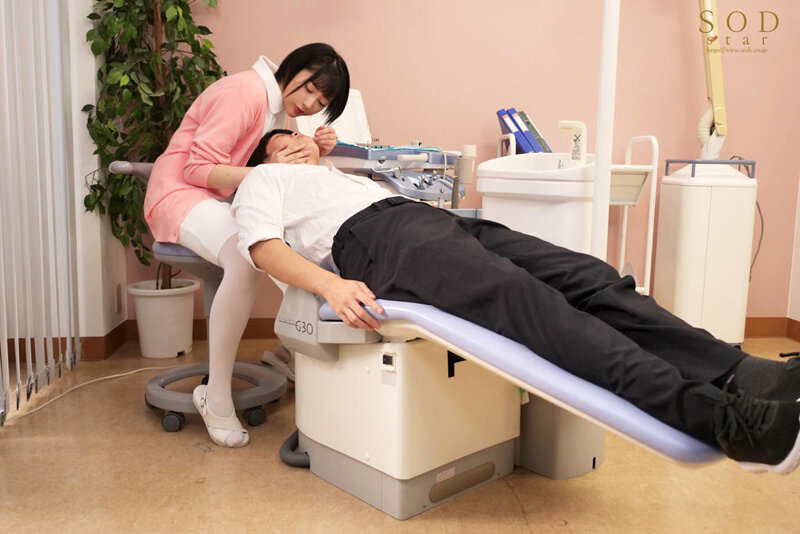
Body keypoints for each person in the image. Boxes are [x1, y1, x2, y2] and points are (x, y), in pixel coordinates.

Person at [231, 128, 800, 474]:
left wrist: (334, 148)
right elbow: (262, 247)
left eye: (297, 137)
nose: (294, 143)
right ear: (264, 161)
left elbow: (360, 153)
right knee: (526, 302)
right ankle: (724, 421)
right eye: (281, 144)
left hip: (430, 220)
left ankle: (744, 374)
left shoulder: (346, 174)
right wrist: (328, 285)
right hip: (377, 241)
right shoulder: (263, 182)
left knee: (589, 277)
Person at [143, 44, 350, 448]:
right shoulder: (244, 92)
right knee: (247, 254)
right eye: (310, 89)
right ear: (292, 68)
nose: (309, 105)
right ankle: (216, 396)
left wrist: (315, 149)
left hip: (220, 200)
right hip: (179, 194)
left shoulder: (279, 108)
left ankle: (290, 353)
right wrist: (266, 173)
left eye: (321, 103)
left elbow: (257, 159)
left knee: (300, 244)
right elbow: (197, 169)